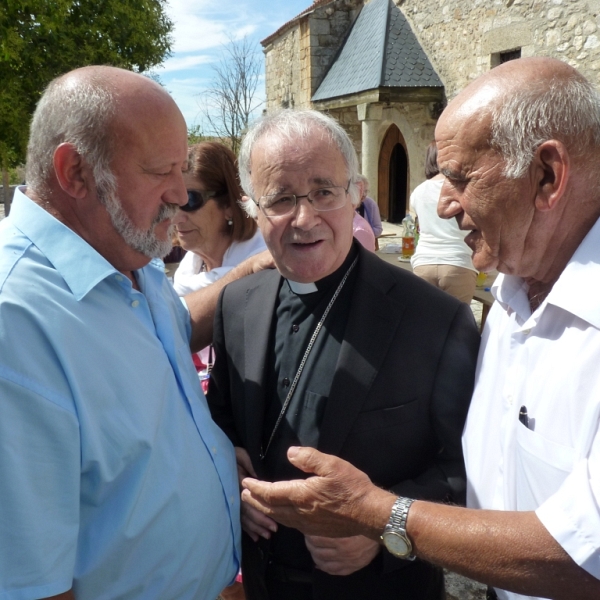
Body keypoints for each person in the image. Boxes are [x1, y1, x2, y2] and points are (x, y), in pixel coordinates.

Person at [240, 57, 600, 600]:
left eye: (459, 177)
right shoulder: (508, 296)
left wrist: (378, 518)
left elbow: (584, 557)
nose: (444, 201)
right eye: (282, 199)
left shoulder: (440, 316)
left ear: (547, 175)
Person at [0, 65, 270, 600]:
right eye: (160, 170)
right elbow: (33, 585)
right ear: (75, 171)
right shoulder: (17, 321)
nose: (178, 193)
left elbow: (166, 330)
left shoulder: (125, 250)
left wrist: (258, 270)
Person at [207, 109, 480, 600]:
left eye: (323, 192)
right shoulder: (236, 305)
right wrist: (232, 478)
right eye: (281, 199)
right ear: (252, 207)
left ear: (357, 192)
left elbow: (467, 470)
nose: (304, 218)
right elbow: (221, 420)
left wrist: (384, 528)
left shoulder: (434, 320)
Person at [172, 142, 266, 297]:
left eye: (190, 200)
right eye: (171, 202)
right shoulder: (187, 272)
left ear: (229, 205)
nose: (175, 218)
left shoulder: (267, 267)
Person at [410, 142, 477, 304]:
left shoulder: (418, 191)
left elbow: (415, 224)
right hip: (457, 261)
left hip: (424, 261)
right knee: (457, 325)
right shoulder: (464, 189)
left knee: (425, 323)